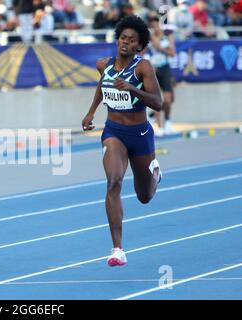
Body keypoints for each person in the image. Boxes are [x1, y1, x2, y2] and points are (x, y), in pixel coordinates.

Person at [81, 15, 163, 267]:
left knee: (144, 196)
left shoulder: (143, 67)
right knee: (114, 181)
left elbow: (158, 103)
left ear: (139, 45)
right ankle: (117, 249)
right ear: (117, 39)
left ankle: (154, 173)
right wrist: (91, 111)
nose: (125, 42)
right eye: (123, 38)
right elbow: (103, 85)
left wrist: (132, 89)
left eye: (132, 40)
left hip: (140, 134)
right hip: (113, 131)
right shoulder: (103, 64)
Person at [147, 17, 177, 136]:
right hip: (153, 69)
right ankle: (158, 126)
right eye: (153, 26)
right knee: (157, 99)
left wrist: (160, 47)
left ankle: (167, 122)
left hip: (165, 68)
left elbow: (173, 53)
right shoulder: (149, 38)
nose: (156, 28)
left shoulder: (166, 37)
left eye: (157, 25)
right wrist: (165, 48)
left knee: (168, 99)